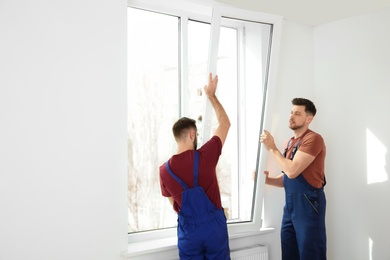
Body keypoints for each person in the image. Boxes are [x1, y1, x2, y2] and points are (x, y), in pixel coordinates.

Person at [159, 72, 231, 260]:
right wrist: (211, 95)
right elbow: (225, 123)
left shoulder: (164, 171)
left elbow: (175, 204)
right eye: (197, 135)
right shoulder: (206, 155)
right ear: (192, 135)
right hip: (214, 230)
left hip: (189, 232)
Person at [260, 98, 327, 260]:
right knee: (289, 254)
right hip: (290, 209)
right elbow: (286, 178)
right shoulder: (290, 142)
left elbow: (292, 171)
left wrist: (272, 148)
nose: (291, 116)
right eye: (291, 112)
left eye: (297, 113)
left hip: (309, 205)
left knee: (310, 254)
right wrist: (267, 180)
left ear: (308, 119)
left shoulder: (313, 139)